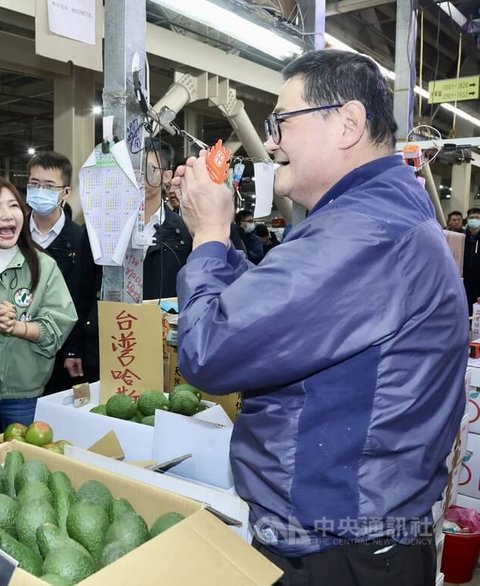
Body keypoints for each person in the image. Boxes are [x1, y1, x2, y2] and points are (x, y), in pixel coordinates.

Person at [173, 49, 466, 586]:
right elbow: (281, 307)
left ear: (348, 124)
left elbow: (208, 351)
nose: (274, 142)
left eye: (282, 123)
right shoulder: (375, 214)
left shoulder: (362, 232)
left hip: (339, 548)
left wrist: (210, 236)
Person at [0, 177, 77, 442]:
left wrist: (18, 328)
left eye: (13, 205)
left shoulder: (44, 266)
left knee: (25, 462)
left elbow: (59, 322)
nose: (7, 214)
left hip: (25, 393)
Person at [26, 151, 99, 393]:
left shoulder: (81, 240)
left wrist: (73, 348)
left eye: (48, 186)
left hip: (63, 352)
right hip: (19, 345)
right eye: (34, 184)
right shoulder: (12, 236)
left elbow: (84, 298)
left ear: (65, 193)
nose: (39, 192)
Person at [142, 138, 192, 300]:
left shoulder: (185, 232)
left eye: (148, 169)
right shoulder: (103, 228)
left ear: (166, 176)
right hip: (112, 321)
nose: (138, 175)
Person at [463, 208, 480, 313]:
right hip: (464, 279)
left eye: (477, 218)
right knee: (465, 307)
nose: (473, 220)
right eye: (471, 218)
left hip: (478, 281)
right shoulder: (463, 237)